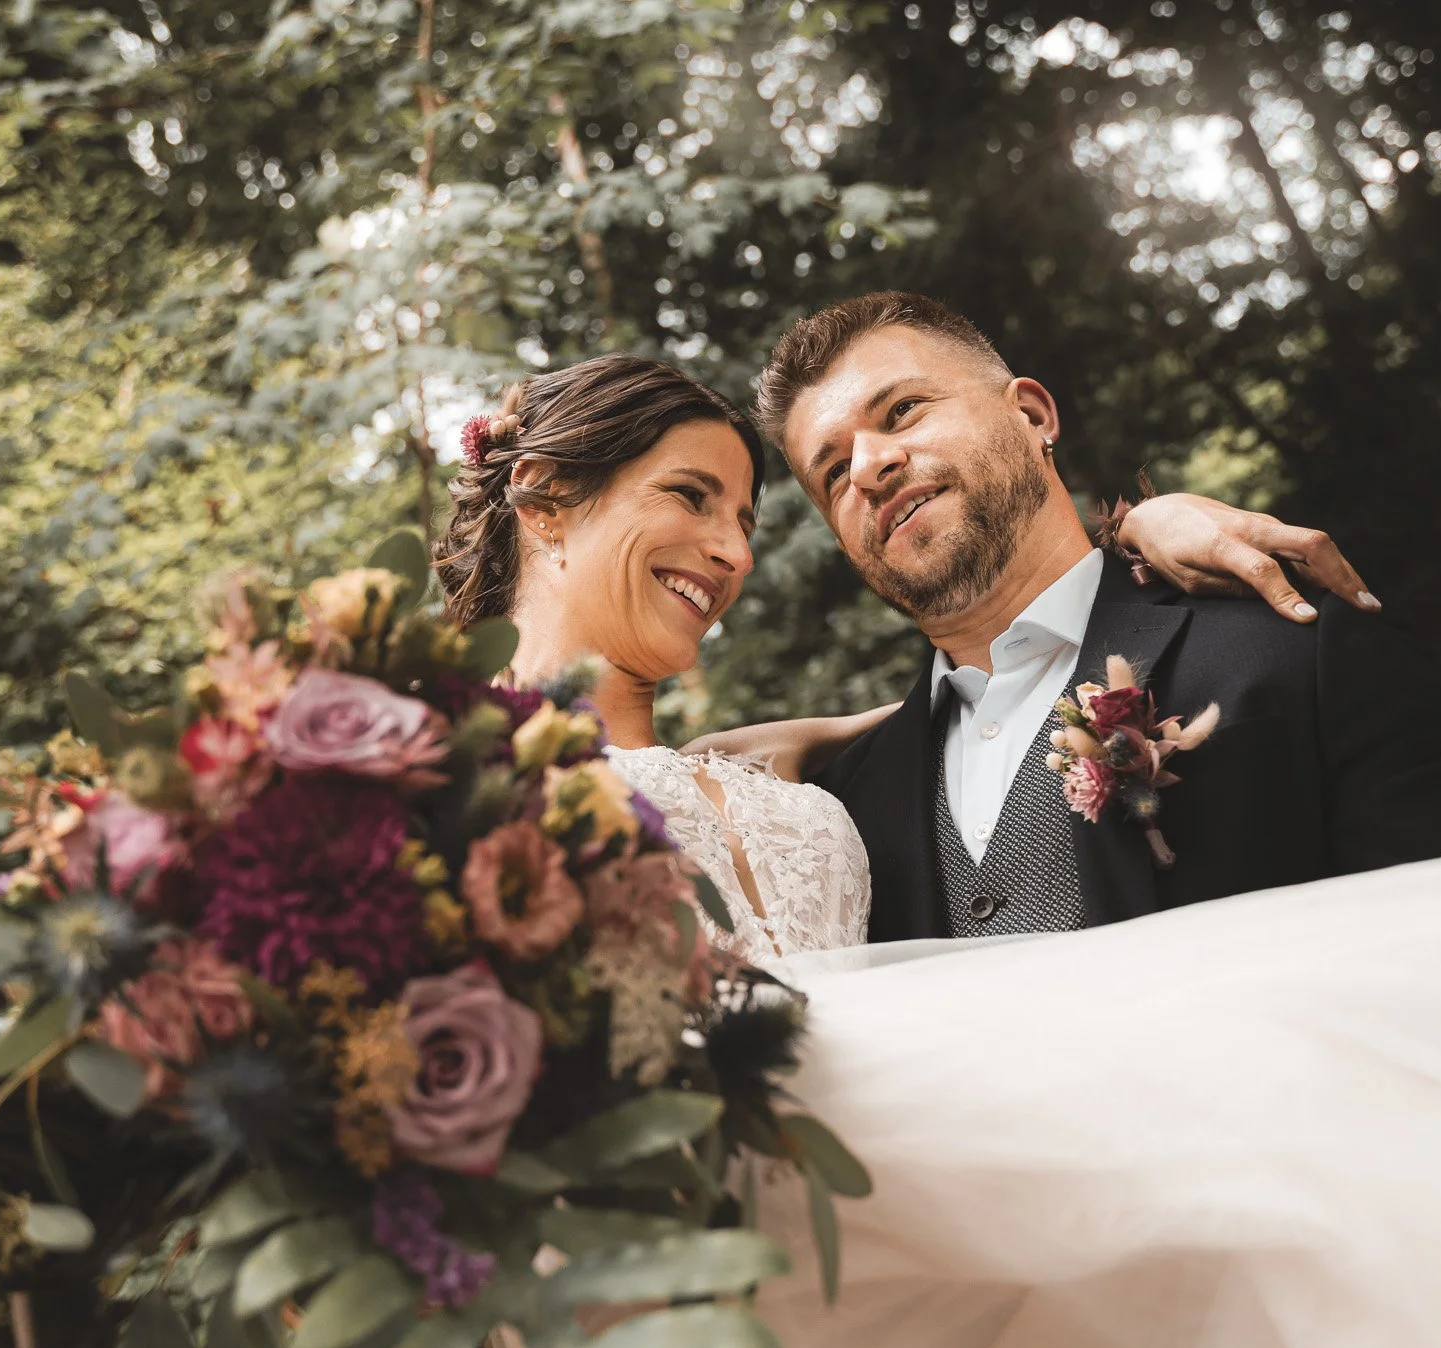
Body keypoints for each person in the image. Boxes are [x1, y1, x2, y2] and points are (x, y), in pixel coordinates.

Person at [433, 350, 1389, 962]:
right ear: (544, 498)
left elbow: (1010, 686)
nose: (733, 552)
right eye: (691, 497)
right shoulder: (413, 790)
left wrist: (1139, 533)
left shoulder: (785, 779)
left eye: (745, 518)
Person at [744, 291, 1441, 943]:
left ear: (1033, 415)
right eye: (832, 470)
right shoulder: (835, 809)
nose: (870, 468)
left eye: (904, 411)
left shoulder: (1299, 645)